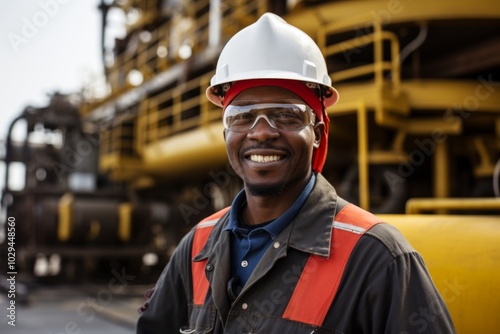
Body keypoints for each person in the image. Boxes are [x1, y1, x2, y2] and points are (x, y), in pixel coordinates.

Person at [136, 12, 455, 333]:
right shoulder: (197, 246)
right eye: (242, 116)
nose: (261, 133)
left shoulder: (378, 258)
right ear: (225, 135)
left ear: (317, 131)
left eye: (286, 115)